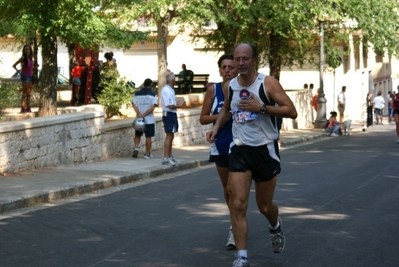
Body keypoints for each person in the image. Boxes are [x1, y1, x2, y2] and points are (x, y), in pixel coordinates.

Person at [206, 43, 297, 267]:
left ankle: (275, 225)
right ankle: (242, 257)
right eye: (238, 59)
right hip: (239, 148)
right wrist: (217, 127)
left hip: (264, 149)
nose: (241, 63)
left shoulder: (267, 83)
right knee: (237, 203)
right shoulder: (231, 86)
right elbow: (227, 109)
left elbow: (291, 111)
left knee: (264, 206)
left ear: (254, 60)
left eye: (245, 59)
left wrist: (263, 108)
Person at [199, 54, 238, 249]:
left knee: (235, 189)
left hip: (240, 144)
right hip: (220, 142)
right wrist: (223, 114)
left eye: (231, 67)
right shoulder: (213, 90)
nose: (228, 70)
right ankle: (235, 221)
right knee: (227, 190)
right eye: (224, 67)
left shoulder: (242, 88)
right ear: (220, 70)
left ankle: (235, 228)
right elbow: (203, 118)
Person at [160, 71, 186, 165]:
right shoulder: (166, 90)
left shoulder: (170, 90)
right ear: (172, 80)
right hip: (169, 114)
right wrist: (179, 105)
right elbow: (170, 105)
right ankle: (166, 157)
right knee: (169, 136)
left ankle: (170, 156)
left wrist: (178, 103)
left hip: (172, 113)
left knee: (171, 136)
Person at [132, 78, 158, 159]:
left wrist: (139, 113)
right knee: (148, 136)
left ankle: (136, 148)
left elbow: (133, 104)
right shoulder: (153, 95)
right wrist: (145, 114)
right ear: (151, 85)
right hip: (149, 120)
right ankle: (147, 153)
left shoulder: (137, 94)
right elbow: (153, 106)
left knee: (137, 135)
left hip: (139, 119)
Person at [12, 44, 38, 113]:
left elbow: (31, 70)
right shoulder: (23, 58)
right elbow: (14, 65)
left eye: (28, 49)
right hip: (25, 77)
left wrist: (35, 68)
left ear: (30, 50)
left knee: (29, 94)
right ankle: (23, 108)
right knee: (24, 93)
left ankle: (28, 108)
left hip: (30, 77)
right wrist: (19, 73)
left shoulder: (31, 58)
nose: (27, 51)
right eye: (25, 49)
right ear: (24, 50)